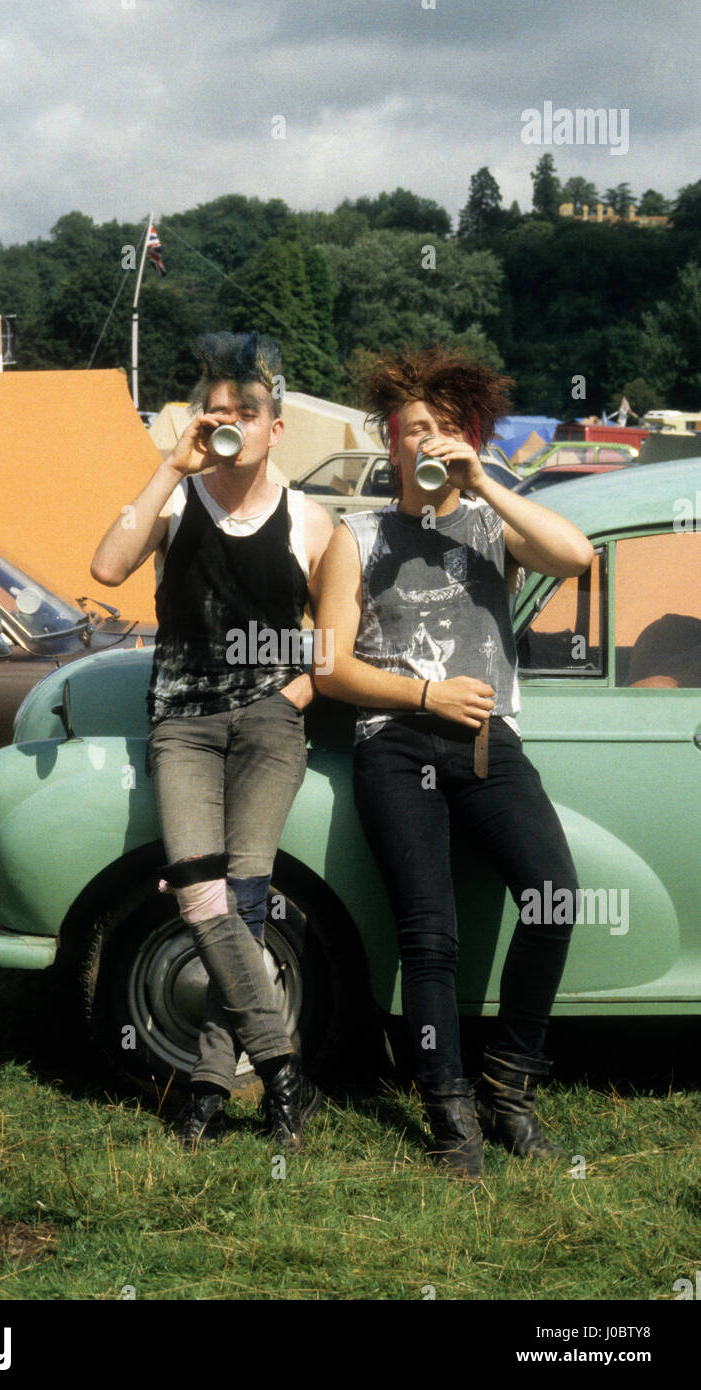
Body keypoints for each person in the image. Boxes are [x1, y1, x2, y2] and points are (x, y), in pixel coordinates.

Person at [314, 347, 595, 1177]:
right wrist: (424, 697)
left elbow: (574, 555)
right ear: (389, 447)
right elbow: (329, 666)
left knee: (553, 898)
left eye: (441, 428)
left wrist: (487, 481)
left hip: (487, 740)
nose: (425, 442)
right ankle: (449, 1114)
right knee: (428, 936)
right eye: (411, 431)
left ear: (464, 437)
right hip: (395, 745)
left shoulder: (489, 522)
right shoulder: (354, 535)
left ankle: (511, 1083)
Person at [91, 331, 333, 1151]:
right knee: (201, 898)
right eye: (213, 410)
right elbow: (106, 567)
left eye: (246, 412)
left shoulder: (312, 519)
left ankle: (205, 1091)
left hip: (268, 727)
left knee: (248, 906)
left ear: (274, 427)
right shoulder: (173, 501)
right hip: (183, 727)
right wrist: (171, 463)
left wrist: (296, 691)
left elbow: (334, 638)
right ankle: (283, 1071)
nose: (227, 423)